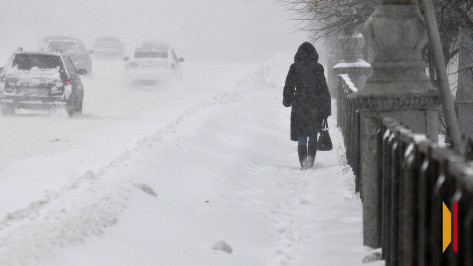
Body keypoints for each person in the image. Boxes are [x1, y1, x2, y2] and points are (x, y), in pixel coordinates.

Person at [282, 42, 331, 169]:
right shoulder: (318, 68)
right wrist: (325, 109)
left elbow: (289, 86)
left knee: (301, 134)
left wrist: (288, 100)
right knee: (313, 132)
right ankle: (310, 161)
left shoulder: (294, 67)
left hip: (299, 105)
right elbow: (323, 89)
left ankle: (303, 162)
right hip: (315, 105)